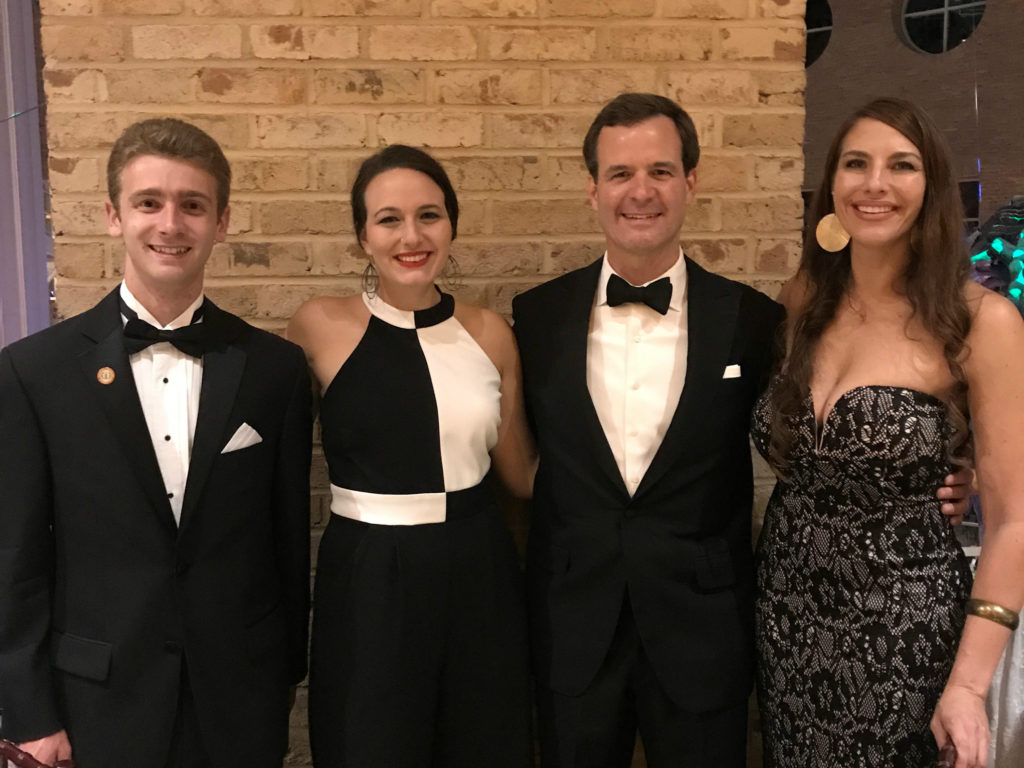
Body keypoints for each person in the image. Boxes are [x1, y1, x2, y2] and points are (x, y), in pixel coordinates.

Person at [511, 92, 974, 768]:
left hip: (705, 636)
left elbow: (831, 420)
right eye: (620, 174)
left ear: (691, 182)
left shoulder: (756, 319)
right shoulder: (535, 319)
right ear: (592, 189)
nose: (641, 192)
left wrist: (962, 467)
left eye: (662, 171)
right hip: (572, 632)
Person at [0, 118, 313, 768]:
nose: (170, 224)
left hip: (239, 700)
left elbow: (285, 543)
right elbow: (18, 562)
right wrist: (30, 714)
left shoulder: (276, 371)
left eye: (192, 206)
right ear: (114, 215)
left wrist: (284, 676)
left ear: (221, 221)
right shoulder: (33, 373)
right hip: (96, 703)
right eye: (149, 203)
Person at [753, 97, 1024, 768]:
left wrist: (966, 685)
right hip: (786, 614)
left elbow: (1016, 520)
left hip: (906, 628)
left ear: (929, 187)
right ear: (831, 184)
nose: (874, 183)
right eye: (856, 164)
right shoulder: (799, 301)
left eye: (900, 165)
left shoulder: (978, 321)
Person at [287, 144, 535, 767]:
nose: (411, 235)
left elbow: (522, 475)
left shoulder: (489, 333)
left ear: (452, 224)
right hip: (367, 570)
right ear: (362, 237)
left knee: (483, 739)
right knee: (370, 742)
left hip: (478, 563)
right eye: (389, 219)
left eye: (429, 215)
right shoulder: (318, 325)